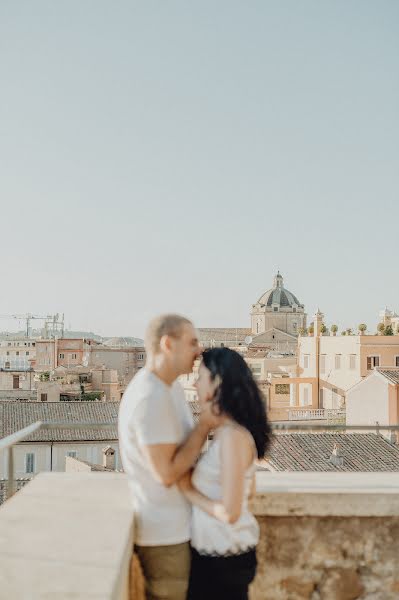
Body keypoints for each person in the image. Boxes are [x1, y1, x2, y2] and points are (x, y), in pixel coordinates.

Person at [118, 314, 216, 600]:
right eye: (192, 342)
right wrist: (205, 425)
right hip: (164, 537)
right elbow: (166, 473)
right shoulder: (150, 397)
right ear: (167, 344)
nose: (199, 350)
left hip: (178, 528)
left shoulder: (168, 386)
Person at [178, 347, 272, 600]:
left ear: (217, 383)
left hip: (223, 559)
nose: (195, 383)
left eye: (201, 377)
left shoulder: (232, 436)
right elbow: (248, 491)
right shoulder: (229, 433)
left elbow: (230, 512)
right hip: (219, 555)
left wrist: (188, 490)